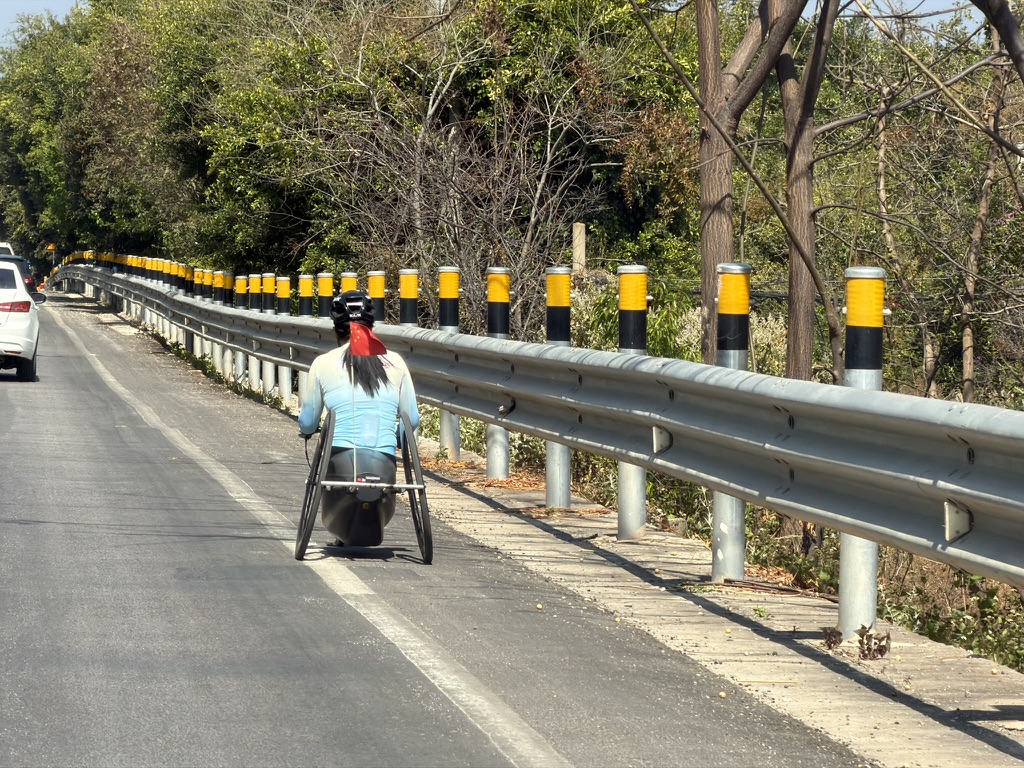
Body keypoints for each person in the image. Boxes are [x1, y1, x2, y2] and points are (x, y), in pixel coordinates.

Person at [298, 290, 420, 546]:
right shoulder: (395, 361)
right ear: (372, 326)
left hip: (341, 457)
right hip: (384, 460)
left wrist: (308, 431)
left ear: (336, 328)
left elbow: (308, 421)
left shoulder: (323, 363)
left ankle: (342, 522)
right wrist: (396, 440)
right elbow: (413, 419)